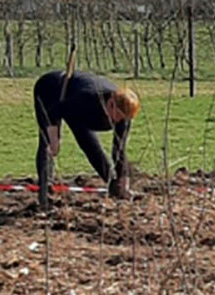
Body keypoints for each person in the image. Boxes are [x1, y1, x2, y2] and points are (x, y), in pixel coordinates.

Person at [34, 70, 140, 201]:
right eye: (118, 116)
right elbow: (54, 112)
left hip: (79, 110)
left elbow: (119, 149)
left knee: (91, 146)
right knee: (48, 144)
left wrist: (124, 181)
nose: (119, 121)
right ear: (111, 104)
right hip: (51, 91)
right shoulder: (88, 98)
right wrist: (54, 137)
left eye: (124, 118)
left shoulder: (123, 118)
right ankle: (45, 190)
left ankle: (113, 185)